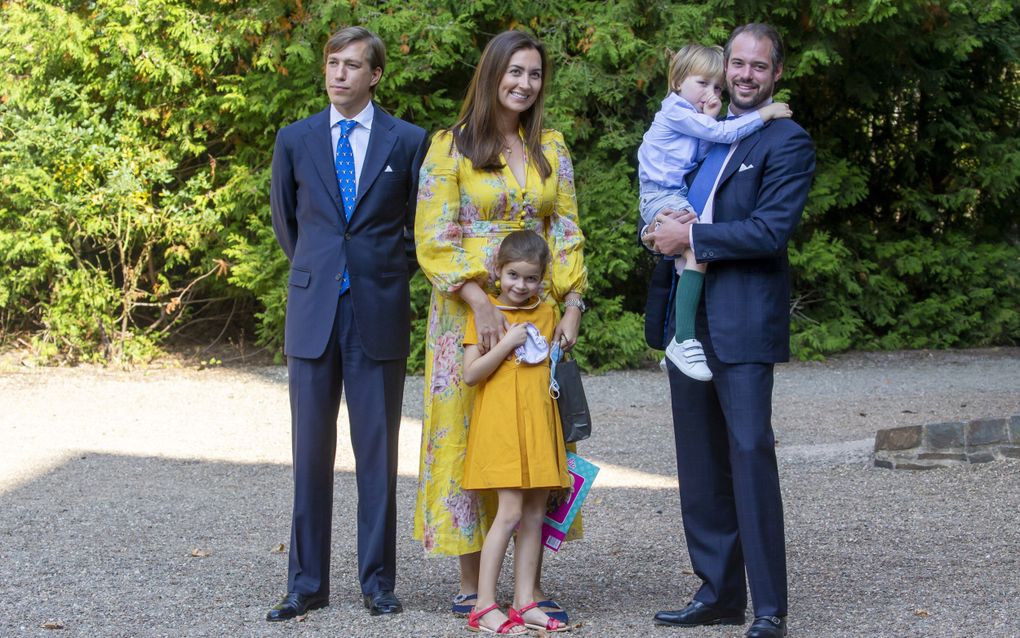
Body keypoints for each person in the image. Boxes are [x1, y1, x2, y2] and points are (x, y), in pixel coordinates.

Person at [642, 23, 815, 638]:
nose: (744, 76)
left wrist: (689, 237)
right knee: (698, 460)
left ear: (775, 75)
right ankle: (718, 593)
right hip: (685, 321)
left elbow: (770, 230)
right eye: (735, 64)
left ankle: (769, 607)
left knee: (748, 454)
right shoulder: (696, 129)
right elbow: (663, 205)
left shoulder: (785, 141)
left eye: (757, 67)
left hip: (741, 321)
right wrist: (655, 231)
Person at [413, 29, 587, 624]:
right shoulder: (451, 145)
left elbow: (564, 230)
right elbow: (433, 234)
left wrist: (571, 303)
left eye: (534, 74)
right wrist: (477, 300)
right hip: (465, 308)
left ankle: (527, 590)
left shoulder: (551, 148)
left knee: (532, 433)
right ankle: (473, 585)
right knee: (469, 432)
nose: (524, 83)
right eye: (514, 71)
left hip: (537, 307)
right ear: (492, 75)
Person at [266, 26, 427, 621]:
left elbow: (421, 228)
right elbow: (290, 223)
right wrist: (320, 271)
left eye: (352, 65)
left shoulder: (408, 141)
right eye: (332, 63)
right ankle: (306, 585)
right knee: (310, 452)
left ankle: (378, 583)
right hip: (312, 313)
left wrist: (381, 272)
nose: (339, 74)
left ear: (375, 74)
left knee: (377, 452)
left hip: (377, 311)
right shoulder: (295, 139)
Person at [637, 44, 791, 381]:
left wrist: (707, 116)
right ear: (677, 81)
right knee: (698, 246)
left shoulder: (689, 116)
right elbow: (722, 134)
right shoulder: (675, 111)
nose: (712, 92)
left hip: (668, 196)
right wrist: (765, 113)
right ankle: (683, 339)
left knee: (687, 257)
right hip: (662, 196)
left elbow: (704, 152)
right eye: (702, 83)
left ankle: (677, 344)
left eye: (717, 87)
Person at [460, 230, 572, 634]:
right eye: (513, 276)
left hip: (540, 427)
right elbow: (471, 374)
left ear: (541, 279)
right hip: (503, 429)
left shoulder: (547, 313)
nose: (520, 286)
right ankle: (484, 605)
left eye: (530, 279)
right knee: (507, 514)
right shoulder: (488, 313)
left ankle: (524, 602)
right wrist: (507, 341)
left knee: (534, 515)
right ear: (498, 272)